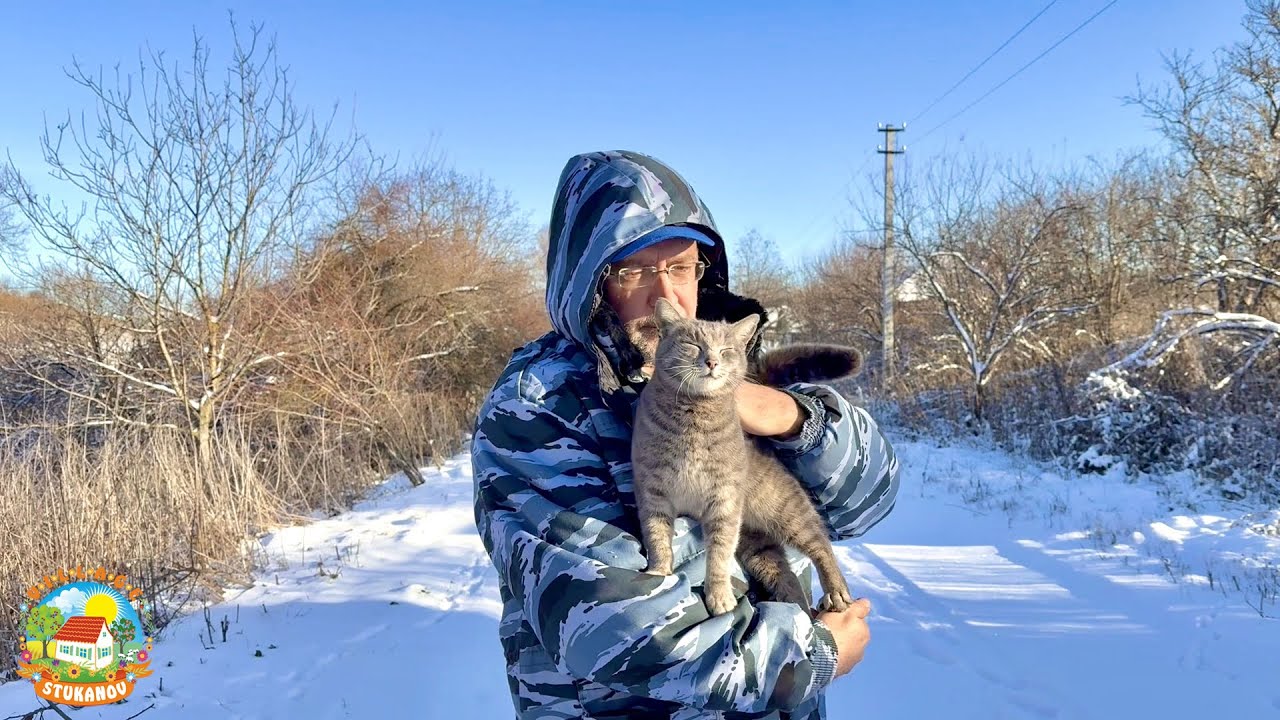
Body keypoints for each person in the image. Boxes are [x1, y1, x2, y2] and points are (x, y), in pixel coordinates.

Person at [472, 150, 900, 720]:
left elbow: (865, 503)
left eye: (680, 267)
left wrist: (789, 418)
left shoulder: (719, 362)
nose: (665, 297)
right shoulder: (540, 406)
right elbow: (615, 624)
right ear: (585, 280)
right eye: (633, 271)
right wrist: (813, 655)